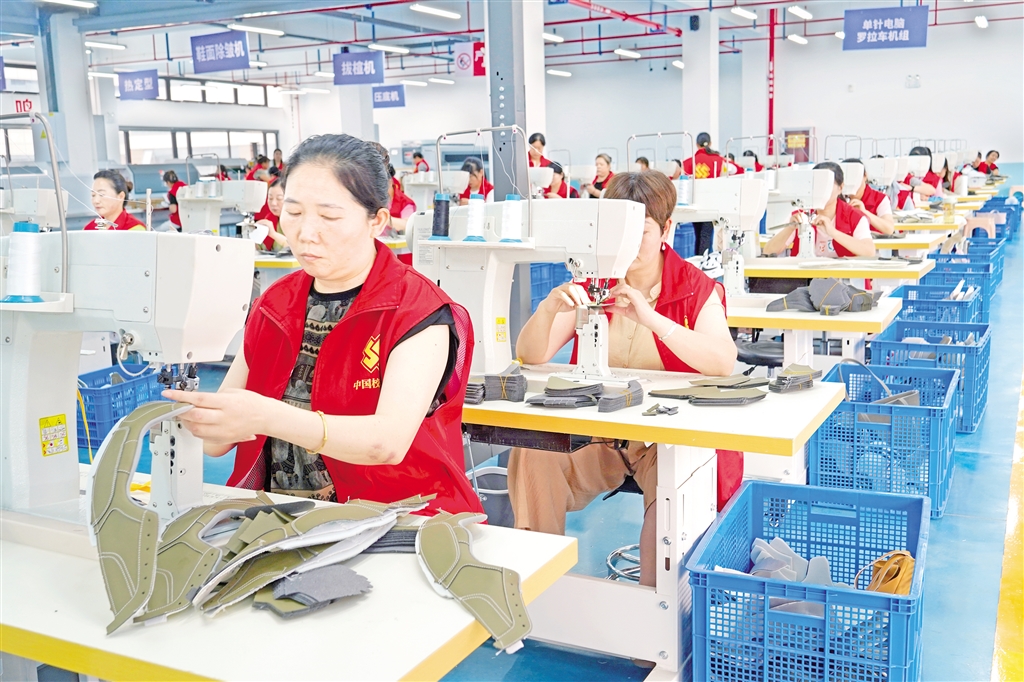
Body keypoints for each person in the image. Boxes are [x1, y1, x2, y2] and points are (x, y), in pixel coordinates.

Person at [164, 134, 483, 514]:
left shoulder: (416, 310)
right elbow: (218, 442)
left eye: (329, 217)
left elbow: (386, 443)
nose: (305, 233)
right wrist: (200, 420)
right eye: (294, 213)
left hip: (398, 518)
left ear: (377, 221)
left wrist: (266, 416)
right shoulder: (274, 305)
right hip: (283, 517)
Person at [508, 170, 741, 588]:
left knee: (668, 508)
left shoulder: (694, 288)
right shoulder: (594, 280)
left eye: (641, 232)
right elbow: (531, 354)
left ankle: (653, 612)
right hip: (602, 434)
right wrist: (547, 310)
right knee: (533, 453)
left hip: (664, 441)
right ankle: (540, 587)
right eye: (618, 231)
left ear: (667, 229)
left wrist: (652, 319)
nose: (627, 245)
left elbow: (723, 361)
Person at [763, 161, 876, 258]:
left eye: (826, 185)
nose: (821, 190)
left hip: (841, 276)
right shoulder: (800, 215)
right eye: (816, 185)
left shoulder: (855, 217)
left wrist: (833, 233)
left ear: (841, 187)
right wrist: (789, 229)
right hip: (806, 275)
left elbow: (869, 251)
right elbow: (768, 251)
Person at [843, 158, 896, 235]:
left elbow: (889, 229)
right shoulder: (838, 199)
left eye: (855, 179)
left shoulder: (880, 199)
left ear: (865, 176)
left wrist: (864, 212)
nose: (853, 184)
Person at [254, 178, 287, 251]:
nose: (273, 203)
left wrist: (273, 234)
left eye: (279, 198)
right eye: (270, 198)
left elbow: (296, 248)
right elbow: (261, 249)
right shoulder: (269, 220)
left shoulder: (298, 222)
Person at [387, 164, 417, 232]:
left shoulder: (406, 203)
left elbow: (407, 224)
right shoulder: (371, 199)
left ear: (390, 182)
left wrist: (383, 218)